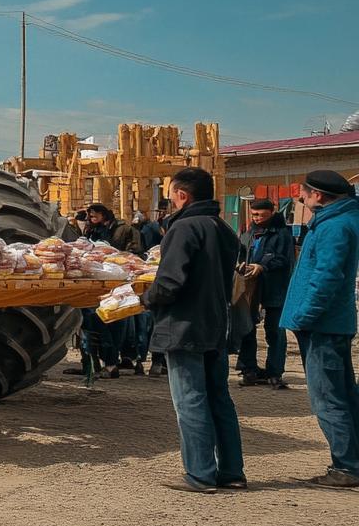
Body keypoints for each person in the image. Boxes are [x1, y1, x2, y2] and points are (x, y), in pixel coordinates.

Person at [140, 167, 243, 493]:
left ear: (182, 195)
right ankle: (231, 471)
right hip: (215, 324)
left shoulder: (184, 228)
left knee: (190, 400)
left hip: (183, 326)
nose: (169, 200)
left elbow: (170, 283)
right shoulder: (222, 227)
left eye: (170, 194)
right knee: (218, 399)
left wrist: (145, 298)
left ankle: (199, 473)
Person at [279, 170, 359, 489]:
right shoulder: (336, 221)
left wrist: (304, 315)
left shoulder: (334, 226)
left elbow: (327, 277)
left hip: (323, 324)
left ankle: (347, 466)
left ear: (319, 196)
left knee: (329, 397)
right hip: (331, 323)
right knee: (343, 393)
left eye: (304, 192)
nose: (301, 197)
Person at [235, 199, 295, 388]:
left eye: (261, 215)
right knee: (247, 328)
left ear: (272, 212)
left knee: (275, 331)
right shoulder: (248, 234)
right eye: (254, 214)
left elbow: (284, 260)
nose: (257, 218)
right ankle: (249, 370)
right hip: (250, 289)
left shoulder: (283, 234)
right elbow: (240, 255)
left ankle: (275, 372)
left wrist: (263, 266)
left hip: (275, 288)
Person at [86, 203, 141, 374]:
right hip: (99, 279)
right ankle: (112, 359)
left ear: (103, 214)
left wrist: (117, 258)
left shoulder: (124, 229)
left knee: (123, 318)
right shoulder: (93, 230)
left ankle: (124, 358)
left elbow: (134, 251)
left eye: (94, 215)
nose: (91, 218)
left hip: (120, 279)